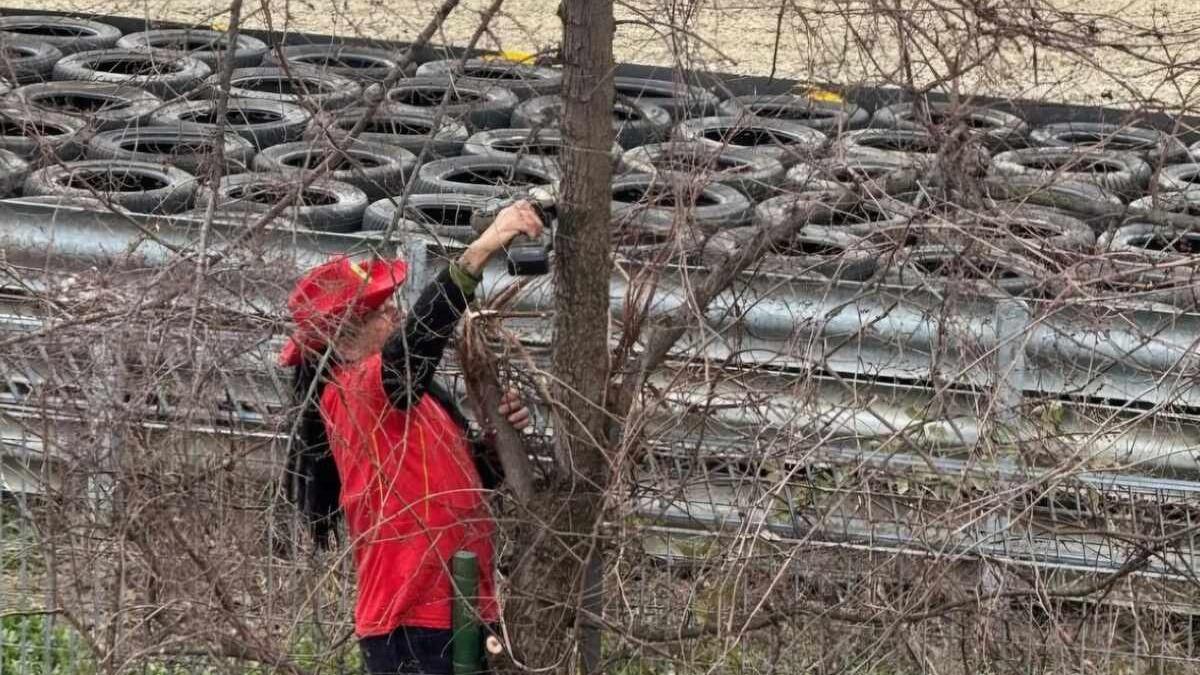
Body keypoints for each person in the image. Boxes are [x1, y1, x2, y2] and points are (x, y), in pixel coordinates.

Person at [279, 201, 544, 674]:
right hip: (413, 623)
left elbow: (463, 485)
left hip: (461, 606)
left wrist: (499, 442)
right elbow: (419, 340)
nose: (396, 314)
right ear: (344, 338)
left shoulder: (413, 401)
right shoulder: (353, 392)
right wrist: (483, 248)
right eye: (381, 311)